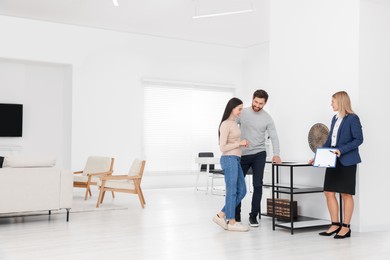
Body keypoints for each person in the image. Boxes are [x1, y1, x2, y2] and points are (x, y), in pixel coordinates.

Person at [316, 91, 363, 239]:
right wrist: (316, 157)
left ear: (341, 102)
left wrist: (341, 150)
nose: (331, 104)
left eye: (333, 101)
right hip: (332, 160)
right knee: (329, 192)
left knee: (346, 194)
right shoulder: (334, 118)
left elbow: (358, 139)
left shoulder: (353, 119)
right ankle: (335, 224)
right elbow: (330, 141)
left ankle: (346, 227)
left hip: (347, 161)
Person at [235, 89, 282, 227]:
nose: (257, 105)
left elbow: (274, 136)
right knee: (238, 186)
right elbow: (230, 125)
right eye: (256, 102)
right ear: (252, 99)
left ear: (265, 103)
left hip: (259, 154)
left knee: (258, 185)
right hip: (242, 154)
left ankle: (253, 216)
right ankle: (236, 217)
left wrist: (276, 153)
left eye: (261, 103)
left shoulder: (267, 118)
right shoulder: (242, 113)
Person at [212, 97, 249, 232]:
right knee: (232, 191)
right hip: (229, 159)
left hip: (236, 159)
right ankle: (232, 221)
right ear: (232, 108)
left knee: (242, 190)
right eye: (239, 109)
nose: (240, 111)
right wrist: (239, 143)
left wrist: (241, 144)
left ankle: (221, 215)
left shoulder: (234, 123)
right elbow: (222, 147)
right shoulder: (225, 124)